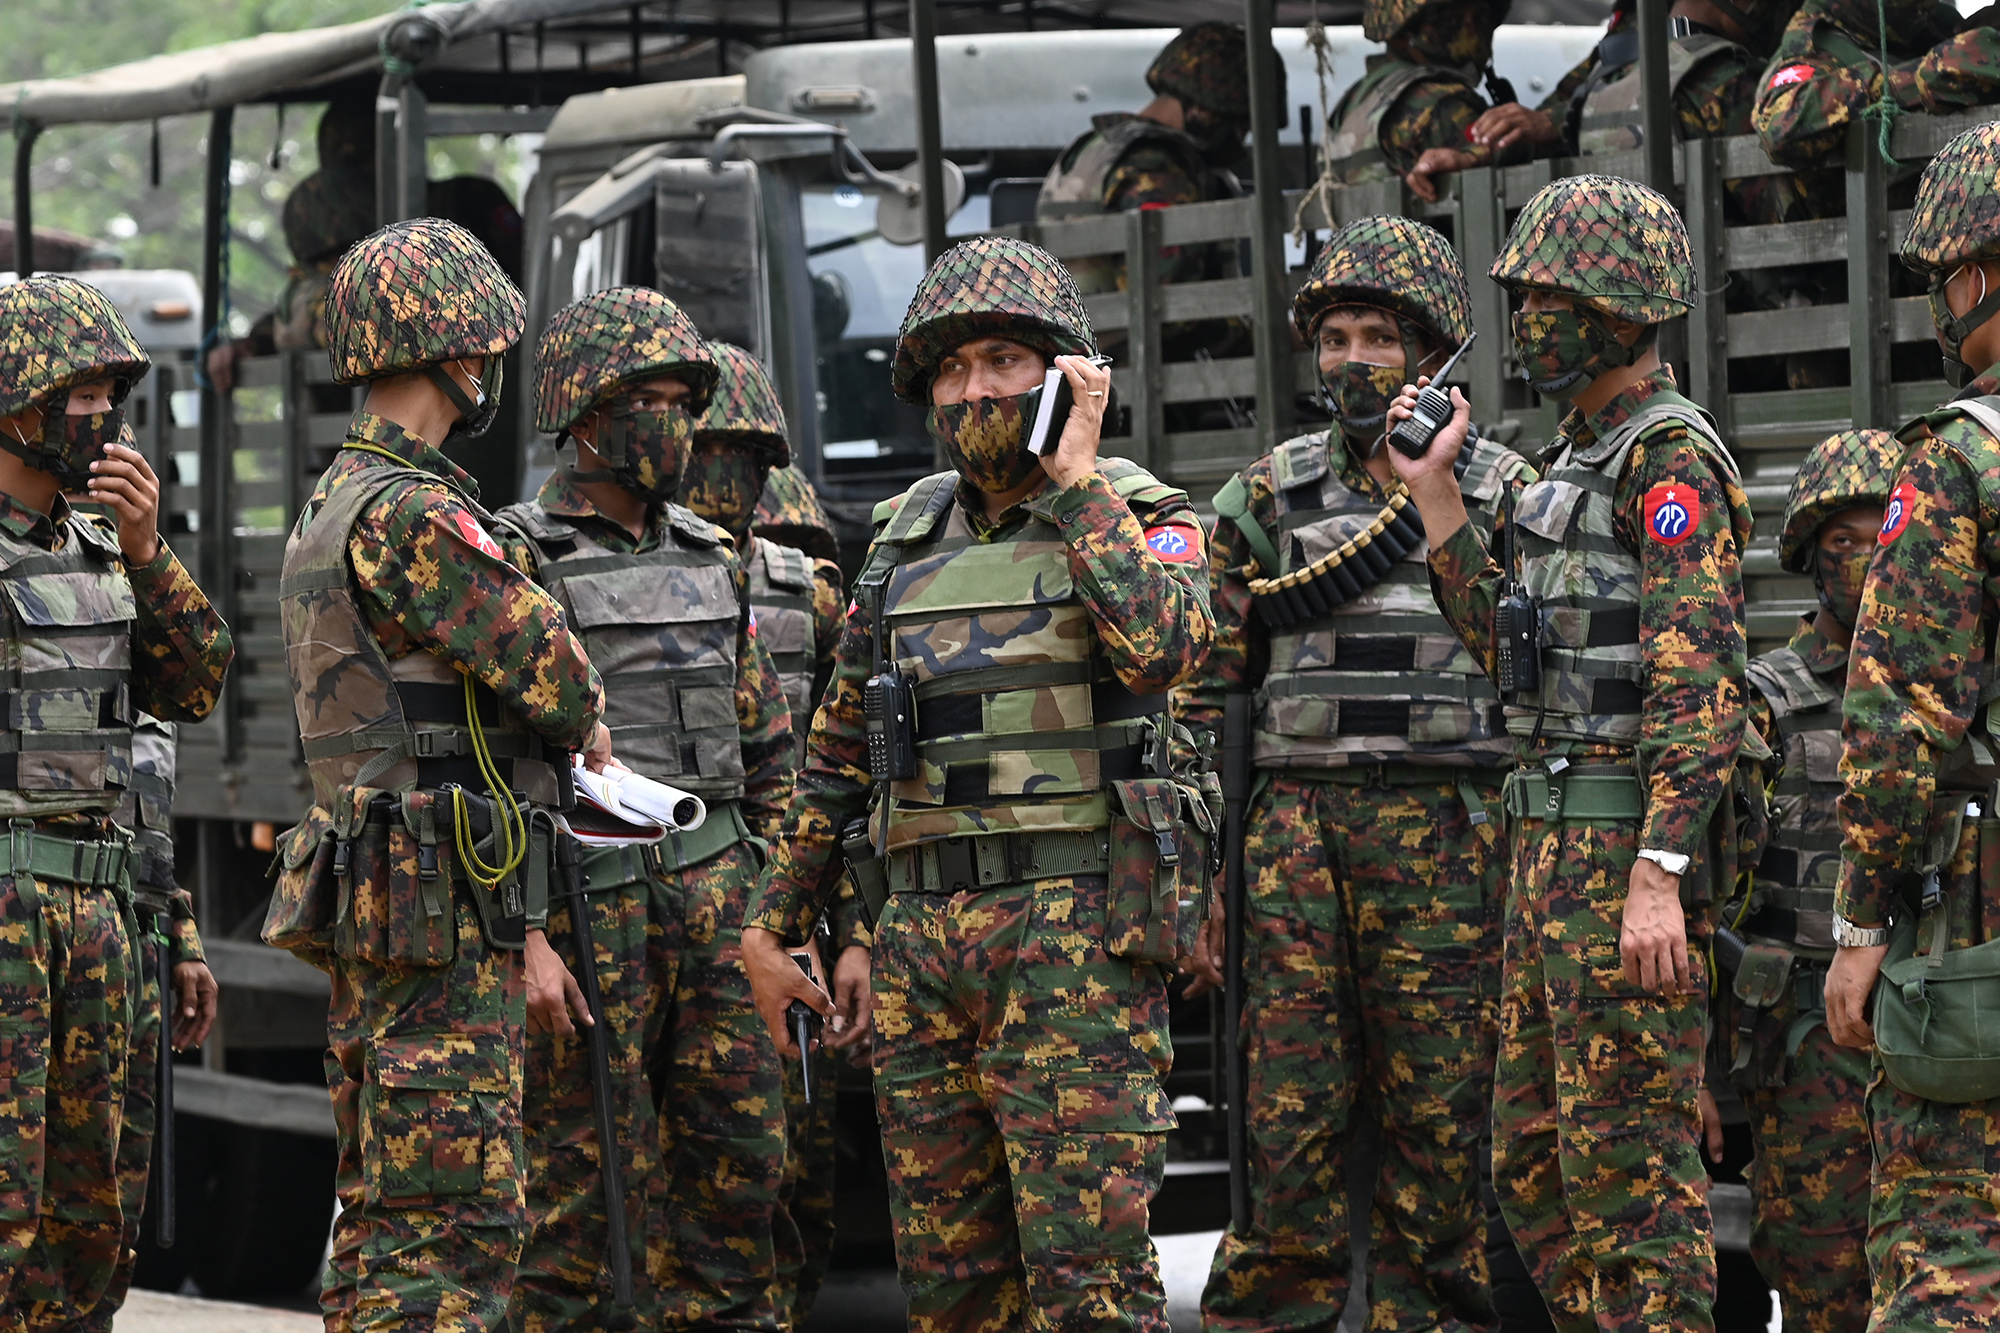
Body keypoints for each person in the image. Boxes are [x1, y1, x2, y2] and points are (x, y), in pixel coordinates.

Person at [738, 235, 1214, 1329]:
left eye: (1002, 358)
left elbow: (1163, 650)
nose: (975, 388)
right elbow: (838, 746)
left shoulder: (1138, 513)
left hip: (1075, 940)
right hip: (921, 949)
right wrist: (773, 923)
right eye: (951, 370)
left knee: (1086, 1283)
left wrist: (1078, 481)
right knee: (952, 1290)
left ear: (1065, 372)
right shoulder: (902, 539)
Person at [1385, 174, 1754, 1332]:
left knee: (1628, 1188)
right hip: (1542, 851)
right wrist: (1435, 490)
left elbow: (1699, 688)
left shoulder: (1667, 460)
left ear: (1617, 312)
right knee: (1534, 1172)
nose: (1526, 320)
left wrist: (1658, 875)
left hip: (1612, 858)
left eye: (1546, 297)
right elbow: (1510, 650)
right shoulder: (1568, 462)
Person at [1179, 215, 1528, 1332]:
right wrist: (1203, 868)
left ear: (1429, 351)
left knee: (1445, 1128)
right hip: (1296, 836)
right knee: (1286, 1126)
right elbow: (1197, 680)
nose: (1350, 359)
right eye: (1331, 337)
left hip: (1450, 833)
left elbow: (1543, 665)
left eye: (1375, 333)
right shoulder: (1266, 496)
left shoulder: (1505, 489)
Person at [259, 217, 607, 1332]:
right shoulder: (413, 510)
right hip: (438, 907)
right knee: (453, 1226)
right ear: (458, 352)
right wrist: (583, 716)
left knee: (381, 1217)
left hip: (383, 900)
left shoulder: (332, 502)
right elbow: (555, 675)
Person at [490, 294, 795, 1331]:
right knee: (574, 1203)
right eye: (646, 401)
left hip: (721, 907)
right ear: (581, 412)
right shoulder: (513, 556)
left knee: (739, 1180)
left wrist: (791, 913)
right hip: (590, 909)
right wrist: (526, 931)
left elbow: (771, 758)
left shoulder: (715, 555)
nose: (671, 424)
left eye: (680, 401)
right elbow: (498, 776)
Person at [0, 274, 234, 1326]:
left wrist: (174, 923)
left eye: (111, 394)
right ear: (16, 406)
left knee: (88, 1222)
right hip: (7, 913)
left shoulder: (104, 553)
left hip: (103, 923)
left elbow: (182, 697)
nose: (103, 417)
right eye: (80, 393)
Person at [1826, 118, 2000, 1331]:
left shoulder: (1959, 459)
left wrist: (1857, 919)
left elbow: (1899, 720)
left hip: (1979, 909)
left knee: (1945, 1244)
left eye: (1946, 277)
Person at [680, 340, 862, 1323]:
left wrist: (856, 930)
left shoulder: (807, 594)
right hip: (664, 903)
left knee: (797, 1175)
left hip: (790, 909)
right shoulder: (618, 575)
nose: (724, 476)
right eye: (709, 450)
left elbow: (852, 774)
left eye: (743, 455)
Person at [1712, 429, 1891, 1333]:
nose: (1862, 563)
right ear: (1808, 556)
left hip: (1944, 1036)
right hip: (1808, 1056)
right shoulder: (1766, 703)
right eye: (1841, 544)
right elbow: (1705, 903)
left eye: (1880, 539)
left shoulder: (1958, 696)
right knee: (1827, 1287)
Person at [77, 712, 218, 1333]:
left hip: (135, 947)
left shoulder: (139, 663)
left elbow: (145, 827)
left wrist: (182, 934)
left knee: (108, 1218)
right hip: (47, 940)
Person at [1405, 0, 1795, 222]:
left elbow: (1559, 117)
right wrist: (1473, 155)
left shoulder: (1626, 60)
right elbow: (1562, 114)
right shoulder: (1726, 80)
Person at [1037, 21, 1278, 343]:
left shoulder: (1094, 149)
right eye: (1239, 125)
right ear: (1207, 107)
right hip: (1133, 368)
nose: (1239, 140)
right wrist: (1262, 339)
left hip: (1081, 357)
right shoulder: (1156, 164)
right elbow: (1170, 308)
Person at [1323, 0, 1512, 186]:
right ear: (1400, 35)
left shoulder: (1356, 100)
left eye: (1481, 18)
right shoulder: (1441, 104)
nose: (1471, 34)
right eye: (1450, 20)